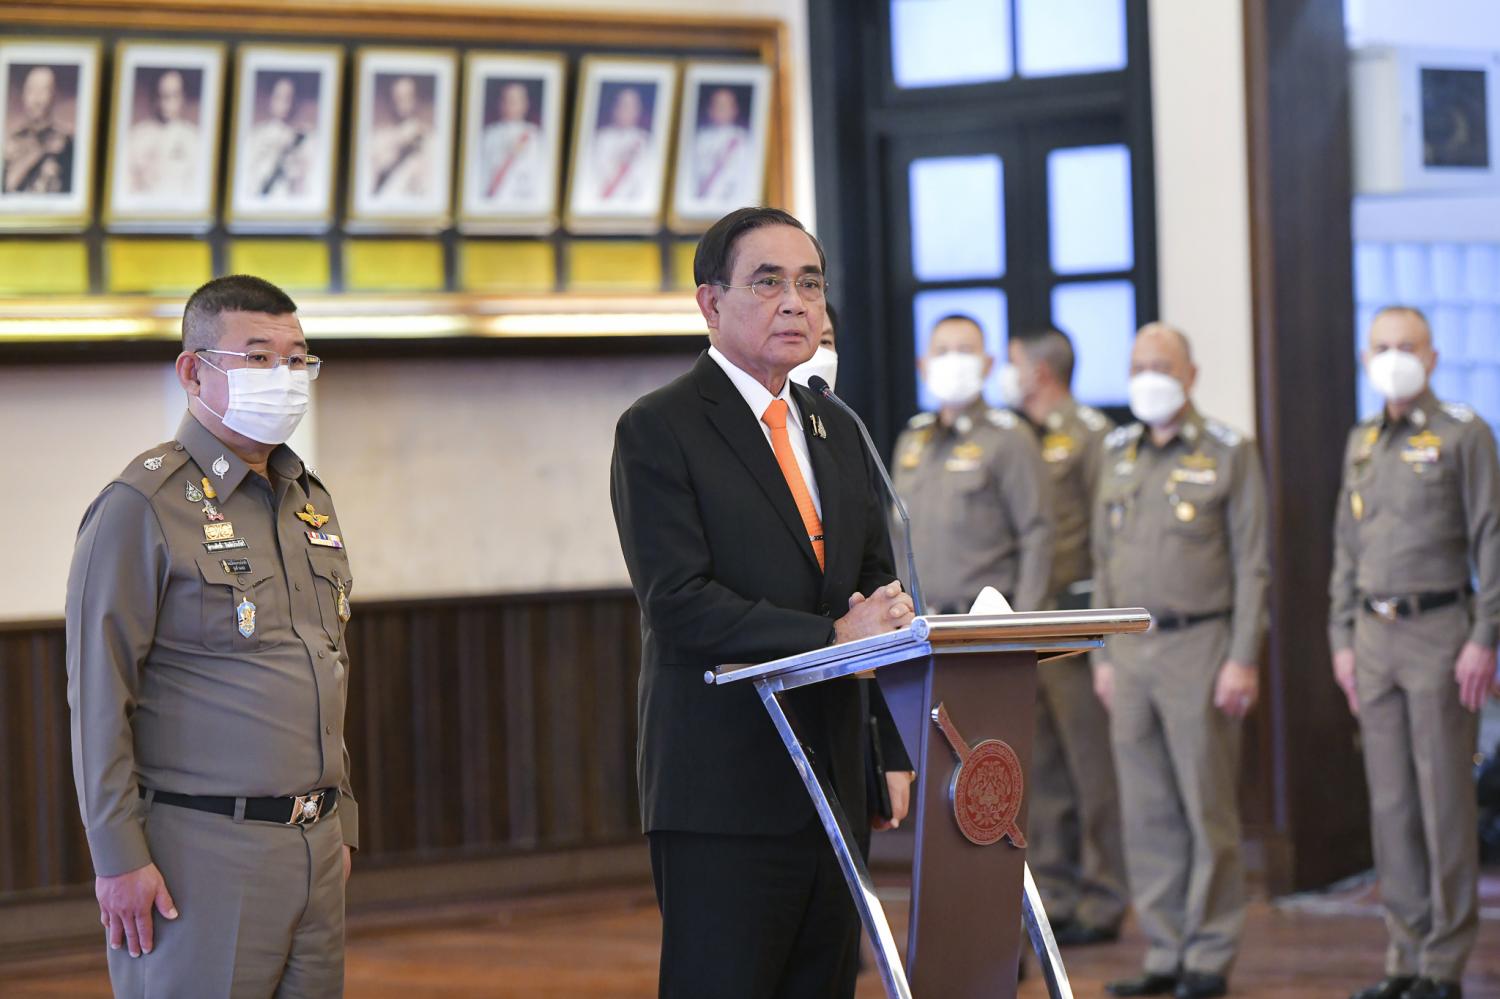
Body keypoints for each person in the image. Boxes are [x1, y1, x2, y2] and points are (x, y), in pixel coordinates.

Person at [610, 207, 916, 999]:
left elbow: (876, 600)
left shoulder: (834, 426)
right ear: (711, 303)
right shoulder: (660, 427)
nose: (796, 302)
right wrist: (829, 636)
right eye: (769, 282)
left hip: (835, 782)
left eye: (809, 283)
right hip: (725, 787)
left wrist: (888, 746)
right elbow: (679, 603)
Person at [65, 275, 357, 998]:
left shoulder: (307, 501)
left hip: (314, 848)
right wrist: (117, 856)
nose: (283, 377)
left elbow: (326, 664)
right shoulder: (141, 504)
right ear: (194, 371)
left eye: (297, 359)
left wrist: (339, 817)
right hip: (200, 852)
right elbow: (99, 697)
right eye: (257, 358)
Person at [1092, 322, 1268, 999]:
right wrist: (1102, 651)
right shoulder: (1117, 450)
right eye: (1138, 364)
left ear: (1190, 374)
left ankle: (1209, 951)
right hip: (1129, 649)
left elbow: (1253, 566)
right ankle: (1164, 949)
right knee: (1146, 809)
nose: (1148, 376)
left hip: (1203, 645)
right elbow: (1105, 562)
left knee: (1206, 807)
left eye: (1161, 363)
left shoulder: (1229, 450)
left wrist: (1243, 657)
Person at [1330, 306, 1500, 999]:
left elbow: (1492, 537)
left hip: (1440, 632)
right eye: (1381, 346)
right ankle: (1403, 954)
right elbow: (1346, 545)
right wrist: (1340, 638)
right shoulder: (1362, 440)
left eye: (1406, 346)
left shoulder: (1463, 432)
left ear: (1431, 357)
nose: (1393, 356)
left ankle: (1443, 961)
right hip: (1373, 636)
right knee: (1391, 803)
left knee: (1443, 802)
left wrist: (1484, 636)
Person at [1001, 328, 1128, 946]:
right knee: (1044, 770)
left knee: (1091, 770)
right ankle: (1055, 893)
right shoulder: (1016, 437)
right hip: (1030, 623)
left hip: (1075, 624)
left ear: (1042, 371)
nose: (1008, 373)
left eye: (1015, 363)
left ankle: (1104, 898)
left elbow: (1108, 535)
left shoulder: (1089, 435)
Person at [891, 313, 1053, 615]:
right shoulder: (913, 439)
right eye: (942, 351)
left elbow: (1037, 536)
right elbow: (897, 538)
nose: (953, 360)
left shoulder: (1010, 438)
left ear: (988, 364)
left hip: (986, 623)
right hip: (920, 623)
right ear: (923, 366)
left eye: (965, 351)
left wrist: (1025, 628)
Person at [126, 69, 199, 199]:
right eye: (162, 96)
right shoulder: (135, 136)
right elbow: (127, 184)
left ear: (182, 98)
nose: (166, 103)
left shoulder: (193, 139)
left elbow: (196, 187)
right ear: (154, 97)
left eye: (173, 96)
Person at [3, 64, 73, 194]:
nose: (37, 99)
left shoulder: (67, 142)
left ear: (53, 95)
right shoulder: (11, 140)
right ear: (23, 95)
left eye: (43, 90)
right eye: (31, 91)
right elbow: (7, 187)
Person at [479, 80, 545, 206]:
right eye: (506, 100)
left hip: (524, 201)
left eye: (515, 101)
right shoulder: (489, 135)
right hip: (493, 202)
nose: (510, 106)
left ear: (525, 104)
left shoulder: (535, 136)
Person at [246, 75, 312, 200]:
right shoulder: (257, 135)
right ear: (271, 100)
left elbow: (307, 184)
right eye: (279, 97)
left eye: (289, 98)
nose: (285, 104)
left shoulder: (305, 137)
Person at [368, 75, 430, 201]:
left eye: (408, 97)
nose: (401, 104)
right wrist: (397, 141)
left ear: (416, 99)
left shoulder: (430, 138)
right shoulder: (378, 138)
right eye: (397, 98)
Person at [691, 86, 752, 204]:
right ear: (710, 110)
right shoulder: (700, 138)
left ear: (735, 110)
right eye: (717, 105)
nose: (721, 109)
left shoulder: (744, 139)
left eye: (726, 106)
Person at [591, 86, 650, 202]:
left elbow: (644, 180)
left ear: (638, 111)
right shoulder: (601, 138)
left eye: (632, 106)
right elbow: (598, 175)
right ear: (614, 108)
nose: (627, 111)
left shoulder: (645, 140)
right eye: (623, 105)